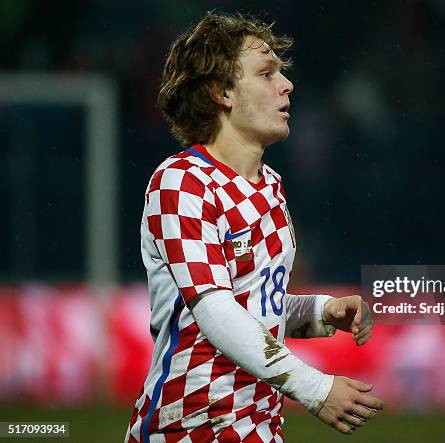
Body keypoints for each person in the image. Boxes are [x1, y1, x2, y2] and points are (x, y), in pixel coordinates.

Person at [125, 11, 383, 443]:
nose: (287, 84)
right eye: (266, 73)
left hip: (258, 427)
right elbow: (215, 312)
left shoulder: (272, 188)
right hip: (191, 426)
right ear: (220, 92)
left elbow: (252, 308)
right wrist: (315, 388)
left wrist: (321, 311)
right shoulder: (184, 181)